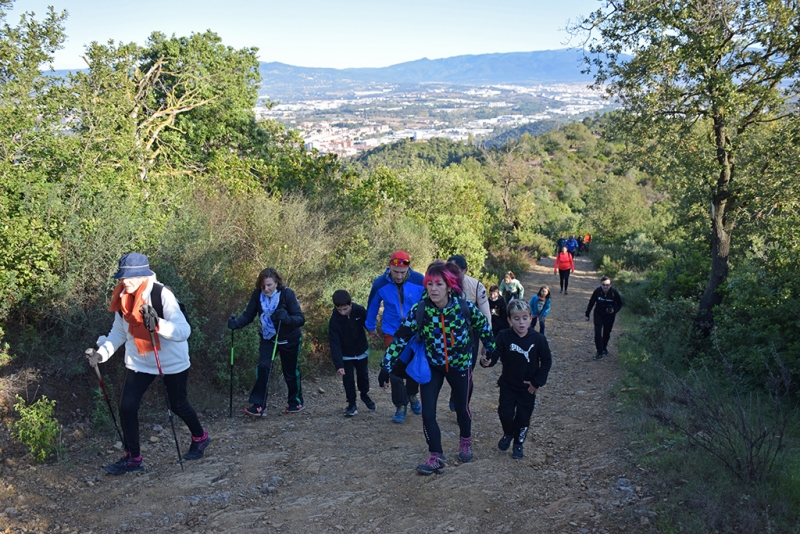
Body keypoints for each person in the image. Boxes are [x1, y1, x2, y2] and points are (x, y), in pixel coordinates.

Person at [85, 253, 209, 475]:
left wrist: (158, 324)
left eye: (131, 277)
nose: (126, 281)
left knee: (177, 405)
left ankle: (200, 437)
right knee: (127, 407)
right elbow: (118, 333)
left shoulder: (162, 294)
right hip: (139, 361)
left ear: (144, 274)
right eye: (123, 277)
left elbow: (184, 331)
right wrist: (101, 355)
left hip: (171, 362)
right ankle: (133, 458)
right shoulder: (124, 296)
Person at [381, 261, 496, 475]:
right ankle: (435, 456)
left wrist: (491, 350)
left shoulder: (464, 308)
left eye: (439, 284)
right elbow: (400, 338)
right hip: (432, 366)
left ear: (449, 286)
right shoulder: (421, 310)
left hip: (460, 366)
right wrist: (385, 366)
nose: (433, 289)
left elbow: (484, 327)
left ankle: (465, 442)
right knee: (428, 413)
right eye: (430, 284)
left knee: (462, 408)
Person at [228, 268, 306, 415]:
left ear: (277, 283)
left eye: (269, 285)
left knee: (290, 372)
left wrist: (287, 318)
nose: (266, 289)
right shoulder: (257, 295)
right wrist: (237, 324)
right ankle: (259, 405)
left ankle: (296, 401)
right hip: (268, 336)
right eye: (263, 286)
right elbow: (249, 315)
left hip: (290, 338)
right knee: (263, 367)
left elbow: (300, 319)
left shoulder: (287, 294)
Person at [481, 299, 551, 459]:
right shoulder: (504, 336)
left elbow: (546, 361)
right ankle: (508, 432)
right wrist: (486, 360)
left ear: (531, 318)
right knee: (505, 413)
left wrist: (536, 382)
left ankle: (518, 443)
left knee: (523, 417)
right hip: (508, 384)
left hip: (528, 387)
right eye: (516, 318)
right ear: (509, 320)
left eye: (525, 318)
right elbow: (494, 355)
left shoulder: (538, 339)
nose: (521, 322)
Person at [366, 251, 425, 423]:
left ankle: (412, 394)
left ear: (408, 268)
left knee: (414, 366)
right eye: (395, 271)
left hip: (414, 332)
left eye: (402, 272)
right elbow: (372, 306)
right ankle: (401, 404)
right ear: (389, 266)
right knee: (394, 368)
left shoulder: (419, 280)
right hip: (392, 331)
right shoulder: (380, 283)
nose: (399, 276)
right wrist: (370, 327)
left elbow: (428, 304)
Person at [446, 254, 491, 409]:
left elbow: (486, 315)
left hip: (469, 334)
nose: (452, 273)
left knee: (467, 370)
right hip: (445, 333)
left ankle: (461, 403)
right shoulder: (440, 284)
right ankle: (455, 393)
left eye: (456, 270)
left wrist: (487, 342)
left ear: (465, 270)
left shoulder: (477, 286)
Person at [328, 290, 375, 416]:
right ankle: (352, 404)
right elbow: (334, 343)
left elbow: (368, 323)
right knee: (348, 379)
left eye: (345, 309)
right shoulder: (334, 320)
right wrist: (339, 364)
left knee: (363, 376)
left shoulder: (359, 310)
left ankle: (364, 394)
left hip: (361, 350)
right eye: (339, 309)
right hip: (346, 354)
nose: (343, 312)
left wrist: (372, 331)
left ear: (351, 304)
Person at [585, 276, 624, 360]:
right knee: (598, 333)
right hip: (598, 314)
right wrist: (587, 314)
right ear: (600, 284)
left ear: (610, 285)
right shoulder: (597, 291)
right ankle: (599, 352)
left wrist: (614, 310)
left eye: (607, 285)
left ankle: (604, 347)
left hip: (610, 316)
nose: (605, 287)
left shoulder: (614, 292)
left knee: (607, 332)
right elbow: (591, 302)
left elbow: (620, 303)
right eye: (603, 285)